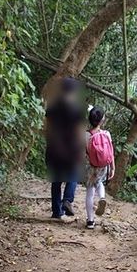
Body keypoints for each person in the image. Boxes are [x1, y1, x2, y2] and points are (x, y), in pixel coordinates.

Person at [44, 77, 85, 218]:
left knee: (56, 180)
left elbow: (47, 129)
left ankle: (56, 211)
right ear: (74, 92)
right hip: (71, 149)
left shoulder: (52, 108)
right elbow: (79, 132)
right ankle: (67, 199)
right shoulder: (77, 109)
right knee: (73, 175)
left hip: (54, 148)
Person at [83, 106, 114, 229]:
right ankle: (102, 197)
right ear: (102, 120)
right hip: (103, 165)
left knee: (90, 191)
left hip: (91, 165)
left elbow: (82, 152)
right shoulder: (106, 134)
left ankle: (90, 221)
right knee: (99, 182)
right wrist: (112, 167)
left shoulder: (86, 135)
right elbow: (111, 152)